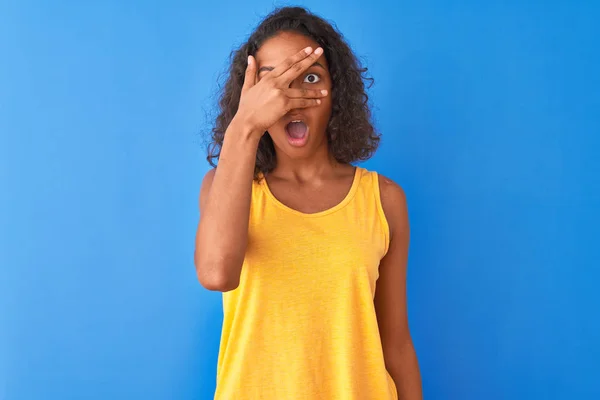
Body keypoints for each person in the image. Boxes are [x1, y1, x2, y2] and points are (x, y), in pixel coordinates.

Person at [195, 6, 422, 400]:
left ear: (337, 93)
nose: (292, 100)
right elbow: (216, 274)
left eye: (310, 78)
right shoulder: (226, 188)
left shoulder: (383, 199)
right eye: (273, 84)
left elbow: (396, 342)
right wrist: (244, 127)